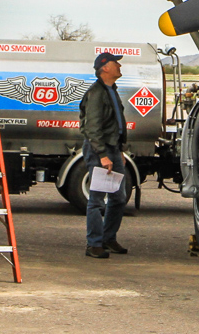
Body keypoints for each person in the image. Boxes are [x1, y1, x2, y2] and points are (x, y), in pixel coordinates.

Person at [80, 52, 129, 259]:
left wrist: (118, 151)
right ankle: (94, 244)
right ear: (105, 68)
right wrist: (102, 155)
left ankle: (108, 238)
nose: (119, 65)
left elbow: (113, 125)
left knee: (119, 197)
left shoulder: (111, 90)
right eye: (114, 62)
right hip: (99, 150)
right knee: (97, 199)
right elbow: (92, 128)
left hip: (112, 149)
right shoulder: (96, 93)